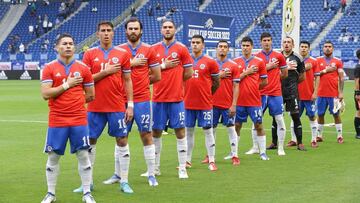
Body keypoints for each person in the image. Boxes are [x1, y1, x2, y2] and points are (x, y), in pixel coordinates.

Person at [73, 21, 135, 194]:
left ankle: (124, 181)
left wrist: (130, 105)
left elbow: (128, 80)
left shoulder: (122, 54)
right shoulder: (89, 54)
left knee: (122, 140)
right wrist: (105, 72)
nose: (106, 33)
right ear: (97, 34)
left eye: (109, 31)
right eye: (103, 31)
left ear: (113, 33)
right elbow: (85, 80)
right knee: (90, 142)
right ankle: (88, 183)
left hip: (116, 106)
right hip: (94, 106)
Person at [103, 18, 161, 186]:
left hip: (142, 100)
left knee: (146, 134)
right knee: (120, 136)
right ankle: (117, 174)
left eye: (136, 28)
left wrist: (142, 82)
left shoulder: (149, 50)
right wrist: (132, 63)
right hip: (120, 101)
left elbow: (157, 75)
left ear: (141, 31)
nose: (133, 31)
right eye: (130, 29)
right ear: (126, 31)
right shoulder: (119, 50)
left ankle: (151, 174)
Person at [40, 33, 96, 203]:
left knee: (83, 155)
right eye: (64, 44)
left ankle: (87, 192)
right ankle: (51, 193)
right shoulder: (49, 68)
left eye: (71, 43)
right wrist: (67, 85)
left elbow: (91, 95)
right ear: (57, 47)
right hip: (57, 120)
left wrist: (75, 103)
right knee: (54, 156)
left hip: (79, 119)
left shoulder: (83, 68)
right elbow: (45, 94)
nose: (68, 46)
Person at [145, 19, 193, 179]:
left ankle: (182, 168)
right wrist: (164, 66)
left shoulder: (182, 49)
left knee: (180, 131)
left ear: (175, 30)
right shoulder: (153, 49)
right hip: (158, 98)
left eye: (170, 27)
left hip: (176, 99)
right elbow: (147, 74)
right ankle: (155, 168)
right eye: (165, 27)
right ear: (161, 30)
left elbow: (188, 73)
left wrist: (177, 82)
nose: (167, 30)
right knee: (155, 132)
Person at [184, 35, 220, 171]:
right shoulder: (185, 61)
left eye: (198, 43)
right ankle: (187, 160)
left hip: (205, 103)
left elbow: (217, 82)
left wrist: (208, 94)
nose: (195, 45)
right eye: (193, 42)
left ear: (203, 45)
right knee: (188, 132)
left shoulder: (210, 62)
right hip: (187, 103)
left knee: (208, 131)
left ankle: (211, 160)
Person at [249, 32, 288, 156]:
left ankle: (280, 148)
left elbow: (285, 73)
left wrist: (275, 80)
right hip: (260, 93)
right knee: (256, 120)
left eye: (268, 40)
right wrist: (269, 67)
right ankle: (255, 147)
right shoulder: (256, 57)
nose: (266, 42)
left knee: (279, 119)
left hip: (275, 93)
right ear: (261, 42)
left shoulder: (279, 56)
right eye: (264, 40)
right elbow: (253, 73)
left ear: (272, 41)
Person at [234, 36, 269, 160]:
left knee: (259, 125)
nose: (245, 48)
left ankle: (263, 152)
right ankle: (235, 153)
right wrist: (246, 73)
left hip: (254, 101)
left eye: (247, 45)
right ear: (241, 47)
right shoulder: (236, 62)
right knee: (237, 125)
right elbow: (234, 80)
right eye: (243, 45)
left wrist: (254, 87)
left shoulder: (259, 62)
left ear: (252, 47)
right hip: (239, 101)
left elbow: (265, 81)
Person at [273, 36, 306, 151]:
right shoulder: (276, 57)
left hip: (292, 92)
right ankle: (274, 143)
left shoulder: (298, 57)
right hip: (278, 91)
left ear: (293, 45)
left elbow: (302, 76)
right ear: (282, 44)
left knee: (295, 116)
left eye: (289, 42)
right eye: (284, 42)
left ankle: (300, 143)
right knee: (276, 117)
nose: (286, 44)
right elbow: (272, 73)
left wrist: (293, 83)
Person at [212, 40, 240, 165]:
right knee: (210, 129)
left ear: (228, 50)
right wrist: (219, 75)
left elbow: (236, 86)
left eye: (225, 47)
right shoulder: (211, 64)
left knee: (230, 128)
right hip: (211, 103)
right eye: (220, 47)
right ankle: (210, 156)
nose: (222, 49)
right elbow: (205, 82)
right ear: (216, 49)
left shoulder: (233, 65)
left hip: (227, 104)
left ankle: (235, 155)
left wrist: (234, 104)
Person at [288, 41, 320, 148]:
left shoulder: (314, 61)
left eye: (306, 47)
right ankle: (293, 139)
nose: (303, 49)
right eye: (302, 47)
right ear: (299, 48)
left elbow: (317, 77)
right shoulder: (293, 60)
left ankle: (314, 139)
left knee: (312, 116)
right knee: (294, 116)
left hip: (309, 94)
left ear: (309, 49)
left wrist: (315, 92)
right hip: (296, 94)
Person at [316, 41, 345, 143]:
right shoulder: (317, 60)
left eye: (329, 47)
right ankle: (319, 135)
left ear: (333, 49)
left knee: (336, 114)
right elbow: (315, 75)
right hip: (320, 93)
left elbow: (341, 78)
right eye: (325, 47)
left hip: (333, 94)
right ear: (322, 48)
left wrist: (341, 92)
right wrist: (325, 71)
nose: (327, 48)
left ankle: (340, 136)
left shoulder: (338, 61)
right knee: (320, 114)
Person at [354, 49, 360, 139]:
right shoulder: (358, 67)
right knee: (359, 112)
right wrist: (357, 93)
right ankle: (358, 133)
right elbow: (357, 80)